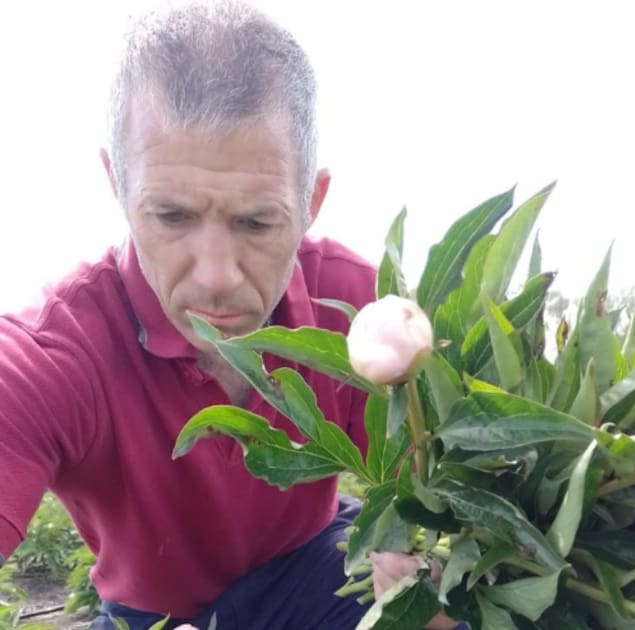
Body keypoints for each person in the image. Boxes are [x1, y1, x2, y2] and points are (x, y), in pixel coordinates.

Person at [0, 2, 464, 629]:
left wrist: (425, 558)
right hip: (148, 613)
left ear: (311, 201)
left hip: (316, 573)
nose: (216, 275)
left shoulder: (365, 313)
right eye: (172, 216)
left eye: (256, 222)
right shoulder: (58, 350)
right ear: (117, 184)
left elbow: (451, 482)